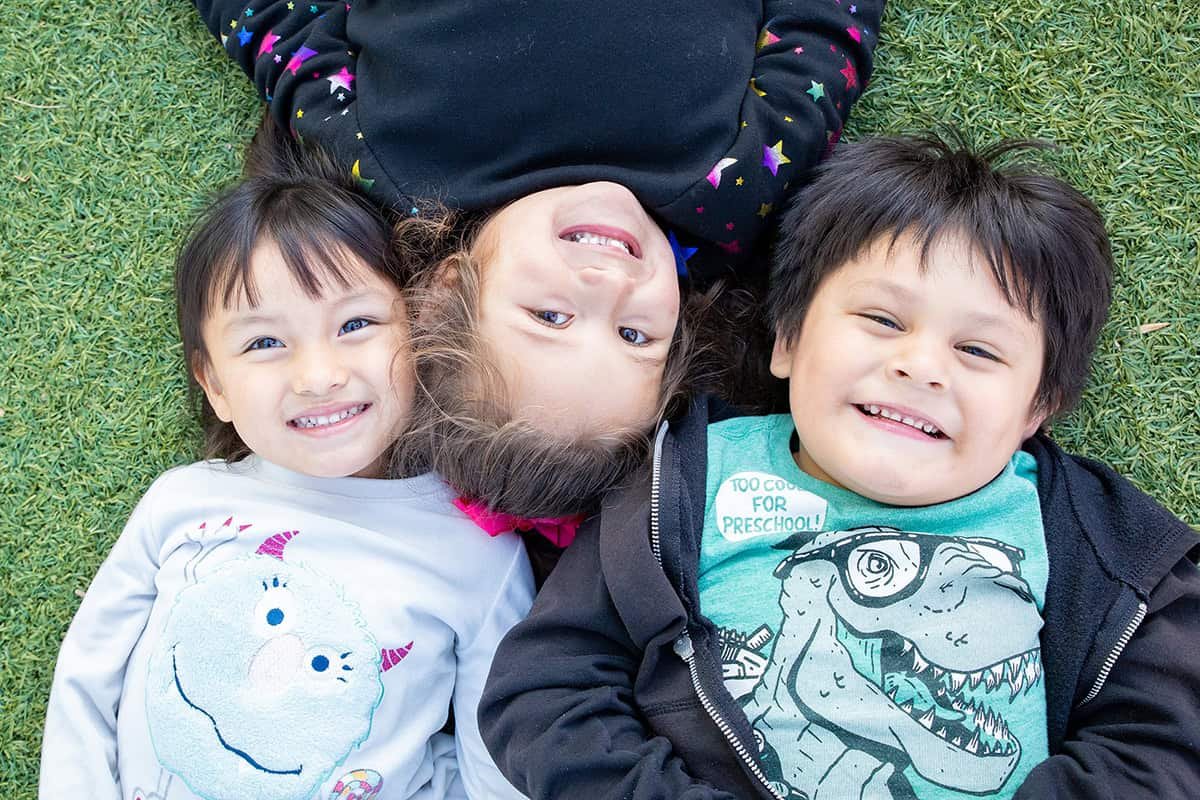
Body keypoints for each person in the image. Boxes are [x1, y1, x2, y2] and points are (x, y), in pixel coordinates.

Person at [476, 133, 1200, 799]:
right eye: (883, 321)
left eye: (978, 351)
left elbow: (1162, 744)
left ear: (1038, 406)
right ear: (786, 340)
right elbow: (546, 691)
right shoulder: (679, 486)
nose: (919, 365)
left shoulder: (1114, 549)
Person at [189, 0, 885, 519]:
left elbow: (276, 31)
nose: (608, 284)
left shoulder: (390, 166)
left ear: (447, 291)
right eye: (635, 336)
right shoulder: (734, 188)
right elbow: (821, 39)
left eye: (551, 314)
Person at [39, 128, 533, 800]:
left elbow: (500, 760)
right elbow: (86, 685)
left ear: (419, 330)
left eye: (355, 324)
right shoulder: (182, 503)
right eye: (266, 341)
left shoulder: (479, 552)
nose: (319, 375)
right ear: (213, 383)